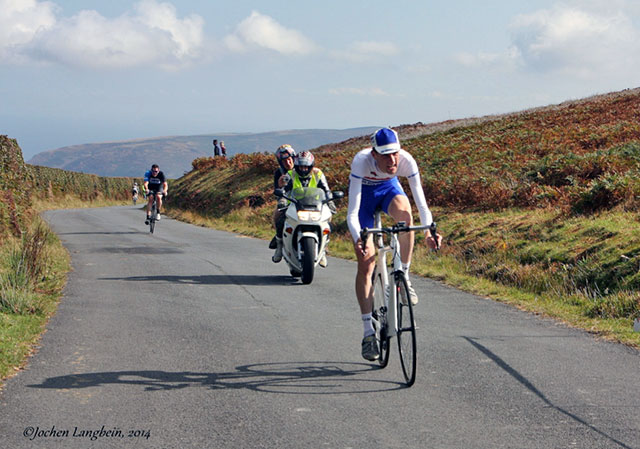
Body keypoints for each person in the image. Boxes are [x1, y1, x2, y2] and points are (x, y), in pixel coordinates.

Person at [347, 127, 442, 361]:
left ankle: (404, 276)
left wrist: (430, 232)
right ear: (374, 153)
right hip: (365, 200)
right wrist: (360, 238)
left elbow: (422, 204)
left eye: (395, 153)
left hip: (389, 189)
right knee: (366, 263)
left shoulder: (406, 161)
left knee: (406, 218)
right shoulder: (361, 162)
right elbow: (352, 212)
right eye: (386, 155)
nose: (392, 160)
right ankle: (368, 332)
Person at [273, 150, 335, 266]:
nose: (303, 169)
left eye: (306, 167)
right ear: (296, 166)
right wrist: (282, 199)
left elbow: (327, 190)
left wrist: (331, 202)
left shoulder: (318, 174)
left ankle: (323, 250)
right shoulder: (290, 175)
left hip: (316, 205)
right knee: (281, 220)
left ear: (311, 166)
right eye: (300, 167)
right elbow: (284, 190)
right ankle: (279, 245)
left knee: (328, 222)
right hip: (294, 204)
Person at [270, 144, 296, 255]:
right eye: (284, 161)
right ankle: (279, 243)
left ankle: (323, 245)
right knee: (277, 215)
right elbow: (277, 190)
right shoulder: (279, 173)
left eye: (289, 159)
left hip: (306, 200)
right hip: (288, 201)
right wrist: (280, 187)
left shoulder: (303, 167)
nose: (288, 163)